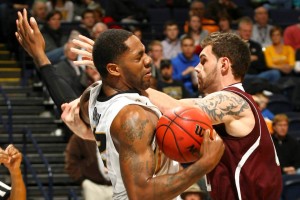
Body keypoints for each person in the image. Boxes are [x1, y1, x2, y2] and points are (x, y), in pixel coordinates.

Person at [16, 9, 225, 200]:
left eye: (145, 52)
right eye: (138, 57)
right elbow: (141, 194)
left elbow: (66, 103)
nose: (148, 60)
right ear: (115, 69)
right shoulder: (133, 116)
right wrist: (203, 164)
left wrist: (40, 56)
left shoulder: (94, 95)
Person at [145, 32, 282, 199]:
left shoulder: (233, 100)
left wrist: (127, 82)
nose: (197, 67)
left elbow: (177, 111)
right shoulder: (231, 103)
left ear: (223, 64)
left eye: (203, 61)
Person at [65, 134, 113, 200]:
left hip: (117, 185)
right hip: (93, 186)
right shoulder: (80, 135)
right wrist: (83, 181)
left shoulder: (119, 133)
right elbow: (71, 162)